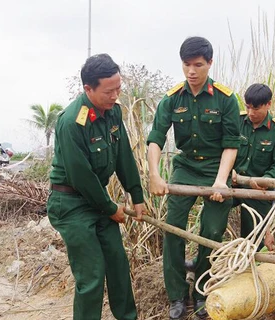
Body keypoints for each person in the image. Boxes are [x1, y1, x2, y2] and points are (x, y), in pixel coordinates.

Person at [147, 36, 240, 320]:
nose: (191, 71)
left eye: (198, 65)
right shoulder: (172, 98)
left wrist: (221, 181)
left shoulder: (226, 99)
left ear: (209, 63)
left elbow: (231, 144)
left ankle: (201, 291)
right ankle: (176, 295)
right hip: (185, 167)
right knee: (173, 228)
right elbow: (155, 139)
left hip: (216, 168)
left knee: (211, 231)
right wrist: (154, 175)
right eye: (186, 65)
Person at [47, 53, 146, 320]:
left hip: (98, 200)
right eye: (108, 91)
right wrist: (110, 207)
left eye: (118, 89)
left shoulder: (113, 112)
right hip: (71, 204)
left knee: (118, 266)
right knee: (91, 276)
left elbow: (123, 154)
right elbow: (81, 177)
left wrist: (137, 195)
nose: (115, 96)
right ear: (88, 88)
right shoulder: (71, 122)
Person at [232, 83, 275, 248]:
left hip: (258, 191)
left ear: (269, 104)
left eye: (256, 108)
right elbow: (223, 149)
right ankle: (205, 264)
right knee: (213, 221)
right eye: (248, 107)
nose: (251, 113)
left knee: (253, 239)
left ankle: (248, 268)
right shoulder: (237, 121)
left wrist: (266, 179)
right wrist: (229, 172)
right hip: (232, 183)